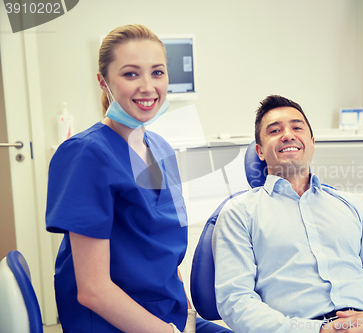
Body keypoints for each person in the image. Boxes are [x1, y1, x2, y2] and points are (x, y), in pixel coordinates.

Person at [46, 24, 232, 333]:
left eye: (157, 72)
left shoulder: (159, 148)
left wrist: (185, 316)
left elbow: (166, 256)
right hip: (113, 323)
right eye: (131, 74)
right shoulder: (85, 155)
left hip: (167, 313)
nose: (147, 86)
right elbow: (93, 290)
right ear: (103, 82)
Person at [212, 95, 363, 333]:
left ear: (311, 142)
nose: (287, 134)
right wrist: (320, 330)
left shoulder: (353, 207)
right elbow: (236, 301)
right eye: (275, 130)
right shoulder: (238, 215)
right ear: (259, 151)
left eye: (296, 127)